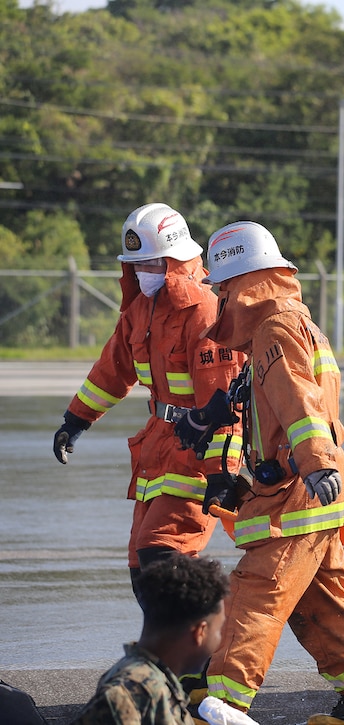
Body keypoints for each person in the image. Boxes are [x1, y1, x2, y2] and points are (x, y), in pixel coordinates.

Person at [176, 221, 344, 725]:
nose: (220, 298)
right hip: (307, 488)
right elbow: (273, 408)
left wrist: (312, 462)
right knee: (321, 603)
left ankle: (222, 706)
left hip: (299, 495)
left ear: (243, 285)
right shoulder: (292, 324)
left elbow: (301, 404)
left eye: (223, 288)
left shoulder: (275, 329)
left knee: (256, 596)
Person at [51, 203, 244, 604]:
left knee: (164, 558)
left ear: (174, 261)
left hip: (196, 448)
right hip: (157, 446)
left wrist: (222, 473)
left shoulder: (204, 311)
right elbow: (113, 368)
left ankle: (202, 658)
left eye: (153, 264)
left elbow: (224, 402)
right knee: (144, 571)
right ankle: (178, 657)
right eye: (137, 265)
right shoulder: (141, 309)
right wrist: (75, 420)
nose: (144, 273)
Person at [73, 553, 231, 725]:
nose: (219, 640)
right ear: (200, 632)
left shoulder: (155, 683)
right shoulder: (129, 693)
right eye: (218, 630)